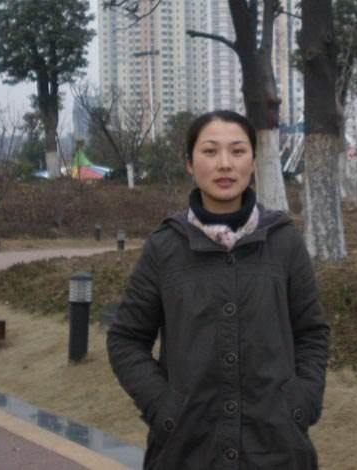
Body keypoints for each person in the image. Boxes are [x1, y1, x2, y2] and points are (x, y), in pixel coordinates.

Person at [107, 110, 329, 470]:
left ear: (253, 162)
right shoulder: (166, 246)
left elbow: (312, 332)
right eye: (210, 151)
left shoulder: (283, 241)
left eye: (237, 151)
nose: (225, 164)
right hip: (186, 449)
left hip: (276, 448)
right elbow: (125, 338)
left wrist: (300, 403)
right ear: (189, 164)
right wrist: (163, 408)